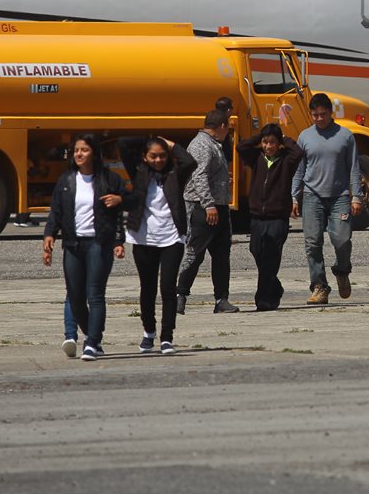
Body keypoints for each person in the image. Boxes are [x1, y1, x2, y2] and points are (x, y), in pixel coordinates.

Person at [42, 134, 131, 361]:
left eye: (84, 150)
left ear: (94, 153)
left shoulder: (109, 179)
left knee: (95, 294)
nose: (79, 154)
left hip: (98, 244)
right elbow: (56, 211)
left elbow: (122, 210)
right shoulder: (66, 181)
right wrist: (49, 235)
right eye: (76, 151)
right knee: (74, 295)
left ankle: (92, 342)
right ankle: (88, 336)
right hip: (73, 244)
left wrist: (119, 241)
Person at [120, 136, 196, 354]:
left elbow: (190, 162)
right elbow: (124, 145)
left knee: (168, 288)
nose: (158, 160)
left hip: (172, 238)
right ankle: (148, 333)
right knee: (148, 288)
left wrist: (171, 144)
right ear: (145, 157)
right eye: (153, 156)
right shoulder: (139, 173)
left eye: (162, 156)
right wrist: (151, 138)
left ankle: (167, 337)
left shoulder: (175, 174)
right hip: (143, 239)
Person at [292, 93, 366, 305]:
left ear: (330, 113)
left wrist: (356, 197)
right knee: (312, 243)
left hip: (339, 196)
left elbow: (354, 167)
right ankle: (319, 286)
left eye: (323, 114)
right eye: (315, 115)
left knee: (341, 239)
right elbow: (300, 169)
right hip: (312, 195)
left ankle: (342, 271)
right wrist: (294, 196)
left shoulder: (345, 136)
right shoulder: (305, 136)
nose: (319, 119)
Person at [176, 109, 238, 314]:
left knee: (221, 255)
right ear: (221, 126)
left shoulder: (214, 144)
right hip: (203, 208)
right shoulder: (202, 145)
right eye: (227, 127)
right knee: (195, 252)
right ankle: (180, 295)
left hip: (218, 206)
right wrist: (208, 204)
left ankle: (222, 299)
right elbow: (199, 176)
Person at [238, 123, 304, 311]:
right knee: (256, 250)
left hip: (277, 217)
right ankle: (275, 286)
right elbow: (241, 147)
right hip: (258, 216)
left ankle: (265, 298)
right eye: (265, 143)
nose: (268, 146)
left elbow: (298, 153)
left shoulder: (286, 161)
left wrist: (284, 139)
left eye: (272, 143)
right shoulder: (256, 158)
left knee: (270, 257)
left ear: (279, 144)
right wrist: (258, 137)